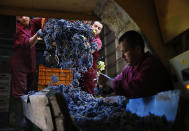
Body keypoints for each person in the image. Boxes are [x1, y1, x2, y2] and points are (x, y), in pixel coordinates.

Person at [99, 30, 173, 98]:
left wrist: (108, 81)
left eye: (125, 51)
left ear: (138, 49)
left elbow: (136, 90)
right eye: (121, 52)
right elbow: (118, 83)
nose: (122, 56)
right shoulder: (128, 69)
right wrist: (106, 86)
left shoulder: (151, 65)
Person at [10, 16, 43, 130]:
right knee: (20, 93)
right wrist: (38, 34)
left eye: (25, 15)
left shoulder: (32, 23)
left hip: (30, 64)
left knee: (30, 92)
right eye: (20, 17)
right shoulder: (17, 28)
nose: (23, 18)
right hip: (20, 65)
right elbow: (28, 44)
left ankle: (28, 122)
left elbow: (44, 19)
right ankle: (20, 123)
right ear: (17, 19)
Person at [79, 21, 103, 94]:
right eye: (95, 26)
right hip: (78, 68)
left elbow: (91, 50)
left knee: (88, 91)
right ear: (91, 26)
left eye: (99, 28)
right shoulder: (83, 35)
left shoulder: (98, 42)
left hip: (89, 72)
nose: (96, 29)